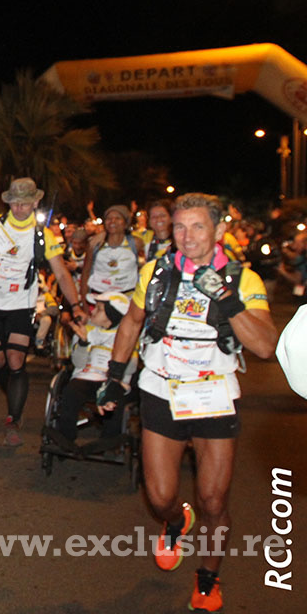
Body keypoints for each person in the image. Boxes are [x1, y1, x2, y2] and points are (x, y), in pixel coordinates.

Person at [97, 193, 277, 613]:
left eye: (198, 226)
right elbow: (132, 323)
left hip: (214, 394)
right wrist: (114, 378)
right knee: (159, 496)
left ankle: (208, 579)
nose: (187, 236)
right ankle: (176, 522)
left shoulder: (243, 279)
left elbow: (266, 346)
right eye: (180, 227)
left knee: (214, 501)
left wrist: (226, 298)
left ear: (218, 230)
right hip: (162, 388)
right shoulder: (156, 272)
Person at [0, 177, 84, 447]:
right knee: (0, 362)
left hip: (21, 305)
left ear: (36, 202)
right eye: (15, 203)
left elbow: (61, 272)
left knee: (16, 359)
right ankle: (14, 396)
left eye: (26, 204)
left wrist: (75, 306)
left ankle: (13, 419)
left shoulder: (43, 235)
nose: (20, 209)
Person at [50, 292, 135, 450]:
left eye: (99, 309)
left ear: (112, 315)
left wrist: (126, 352)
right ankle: (66, 438)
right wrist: (82, 343)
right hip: (85, 377)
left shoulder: (126, 336)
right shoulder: (86, 329)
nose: (92, 311)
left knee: (117, 400)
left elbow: (132, 368)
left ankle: (108, 441)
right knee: (70, 392)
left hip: (112, 382)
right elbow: (78, 363)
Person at [80, 204, 144, 300]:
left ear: (126, 223)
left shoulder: (136, 243)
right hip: (98, 297)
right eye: (109, 218)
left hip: (127, 299)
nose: (112, 221)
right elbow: (85, 274)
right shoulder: (95, 244)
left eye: (118, 218)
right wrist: (84, 303)